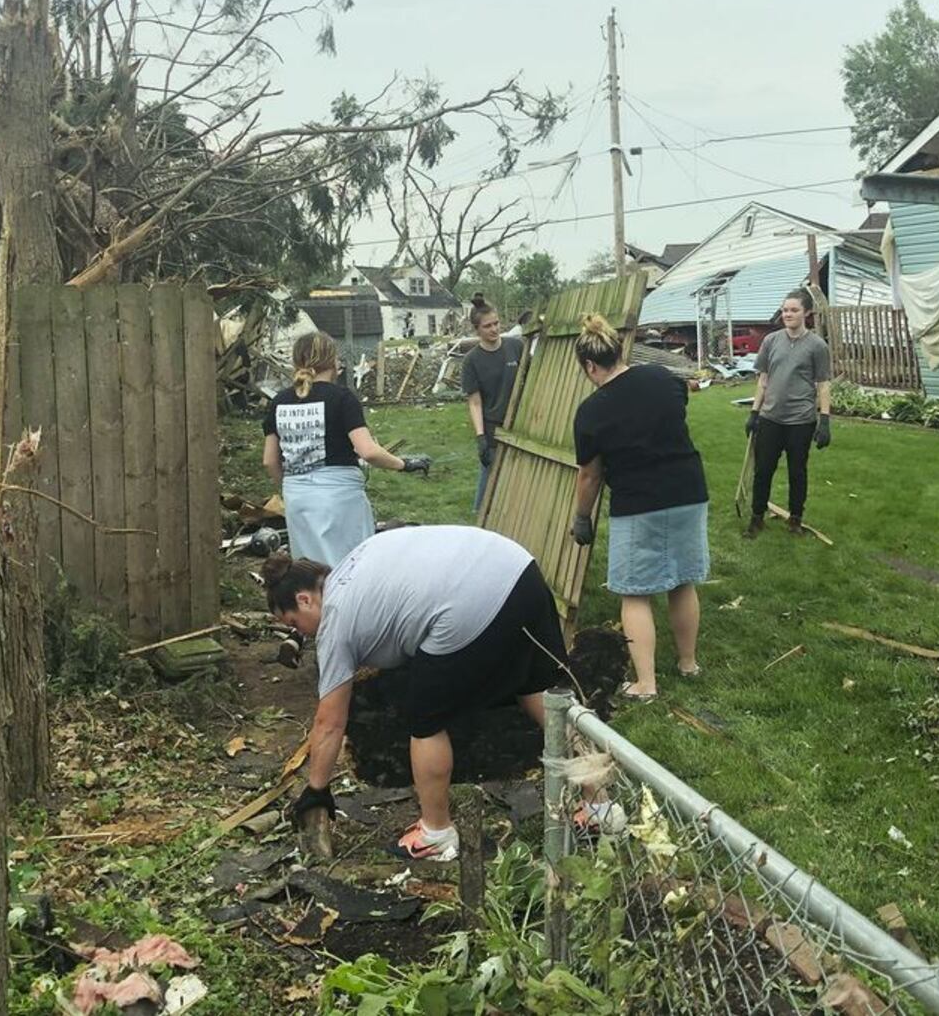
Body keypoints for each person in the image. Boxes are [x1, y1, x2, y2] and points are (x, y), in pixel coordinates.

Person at [267, 525, 564, 861]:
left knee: (424, 720)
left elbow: (330, 722)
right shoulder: (356, 560)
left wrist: (316, 789)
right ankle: (599, 803)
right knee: (544, 692)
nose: (299, 634)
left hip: (469, 604)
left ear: (305, 599)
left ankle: (435, 833)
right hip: (519, 569)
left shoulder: (336, 622)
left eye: (293, 623)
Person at [568, 313, 709, 700]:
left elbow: (590, 477)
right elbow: (675, 414)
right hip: (688, 491)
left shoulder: (591, 412)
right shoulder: (664, 379)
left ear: (590, 365)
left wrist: (582, 517)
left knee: (634, 593)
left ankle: (646, 684)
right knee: (682, 581)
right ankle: (688, 664)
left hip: (639, 503)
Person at [263, 331, 430, 567]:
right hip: (338, 498)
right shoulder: (341, 398)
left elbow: (269, 461)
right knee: (350, 566)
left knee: (309, 569)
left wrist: (291, 489)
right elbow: (368, 451)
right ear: (333, 361)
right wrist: (404, 464)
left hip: (297, 497)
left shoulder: (278, 402)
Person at [745, 288, 833, 536]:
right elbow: (763, 379)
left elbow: (823, 384)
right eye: (785, 310)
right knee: (763, 470)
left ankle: (795, 519)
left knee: (797, 471)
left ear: (807, 313)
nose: (788, 314)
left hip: (801, 421)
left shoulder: (817, 346)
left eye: (793, 310)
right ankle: (757, 518)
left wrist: (824, 420)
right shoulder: (771, 341)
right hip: (770, 418)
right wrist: (754, 412)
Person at [460, 293, 525, 513]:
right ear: (477, 329)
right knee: (490, 478)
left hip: (520, 425)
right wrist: (481, 438)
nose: (494, 329)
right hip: (493, 429)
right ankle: (481, 517)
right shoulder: (471, 361)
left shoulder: (516, 347)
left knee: (519, 477)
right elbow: (475, 403)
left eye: (496, 323)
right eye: (487, 326)